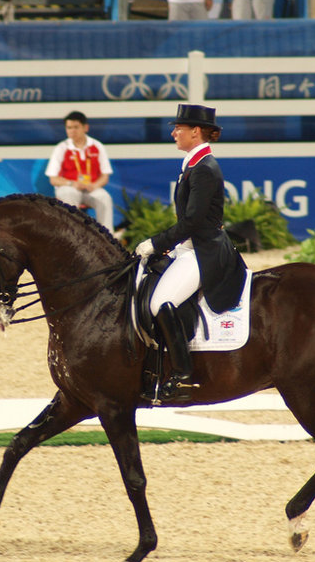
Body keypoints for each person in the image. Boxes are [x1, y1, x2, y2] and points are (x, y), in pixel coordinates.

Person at [134, 104, 247, 402]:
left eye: (179, 128)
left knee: (161, 302)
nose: (173, 133)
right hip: (190, 247)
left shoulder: (205, 169)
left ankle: (183, 376)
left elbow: (193, 221)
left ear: (195, 132)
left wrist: (156, 243)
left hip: (205, 251)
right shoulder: (194, 165)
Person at [45, 110, 114, 231]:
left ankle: (108, 236)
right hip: (69, 187)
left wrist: (95, 185)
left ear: (85, 128)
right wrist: (72, 183)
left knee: (104, 197)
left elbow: (105, 176)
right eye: (69, 127)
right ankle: (72, 234)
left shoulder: (97, 146)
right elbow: (53, 179)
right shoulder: (62, 147)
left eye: (76, 127)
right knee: (70, 194)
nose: (72, 131)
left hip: (90, 189)